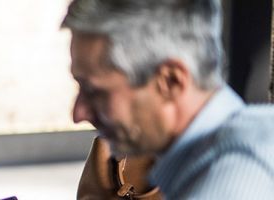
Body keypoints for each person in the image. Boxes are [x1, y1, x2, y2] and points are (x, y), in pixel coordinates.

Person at [63, 0, 274, 199]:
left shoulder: (224, 186)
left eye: (95, 92)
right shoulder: (259, 134)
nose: (78, 114)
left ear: (171, 80)